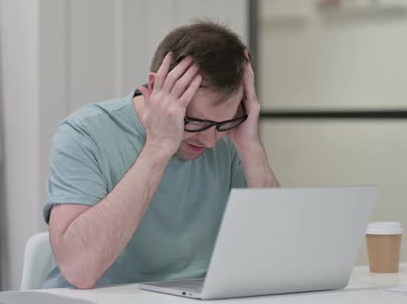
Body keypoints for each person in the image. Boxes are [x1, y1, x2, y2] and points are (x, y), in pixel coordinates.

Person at [42, 21, 280, 289]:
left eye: (223, 124)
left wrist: (252, 148)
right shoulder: (84, 134)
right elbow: (79, 269)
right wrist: (157, 148)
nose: (210, 141)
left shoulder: (229, 141)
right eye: (196, 122)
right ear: (156, 89)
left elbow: (279, 255)